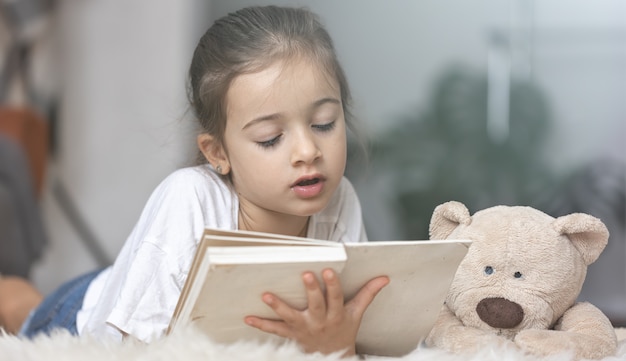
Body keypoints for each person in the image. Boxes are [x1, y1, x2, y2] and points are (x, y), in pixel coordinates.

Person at [0, 5, 389, 357]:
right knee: (22, 309)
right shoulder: (190, 199)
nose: (308, 151)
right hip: (90, 310)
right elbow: (136, 349)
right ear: (217, 153)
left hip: (137, 280)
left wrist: (338, 347)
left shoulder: (340, 200)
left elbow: (348, 328)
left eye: (324, 124)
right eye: (271, 138)